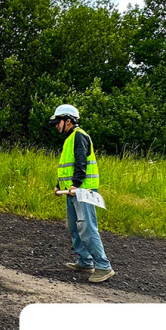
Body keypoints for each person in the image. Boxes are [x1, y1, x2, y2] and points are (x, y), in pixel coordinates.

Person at [49, 104, 115, 283]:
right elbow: (68, 168)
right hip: (72, 191)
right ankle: (85, 261)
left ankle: (103, 266)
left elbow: (81, 163)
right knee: (74, 227)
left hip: (83, 191)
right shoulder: (70, 138)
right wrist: (59, 185)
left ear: (68, 121)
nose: (56, 126)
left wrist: (76, 184)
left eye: (58, 122)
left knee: (87, 228)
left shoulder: (79, 136)